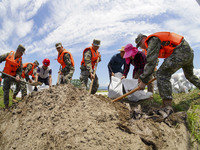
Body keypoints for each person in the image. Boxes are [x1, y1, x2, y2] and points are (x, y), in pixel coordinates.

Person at [135, 32, 200, 112]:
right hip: (188, 52)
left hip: (181, 51)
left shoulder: (152, 40)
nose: (141, 47)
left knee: (162, 74)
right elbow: (155, 61)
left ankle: (167, 106)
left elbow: (151, 62)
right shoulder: (154, 42)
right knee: (190, 75)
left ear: (143, 39)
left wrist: (143, 80)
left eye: (140, 44)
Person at [0, 44, 25, 109]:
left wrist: (18, 76)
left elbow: (20, 70)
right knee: (6, 91)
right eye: (21, 53)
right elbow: (0, 58)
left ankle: (17, 97)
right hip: (7, 75)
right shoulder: (9, 54)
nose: (22, 55)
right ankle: (6, 106)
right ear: (17, 51)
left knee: (21, 83)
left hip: (14, 76)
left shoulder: (20, 60)